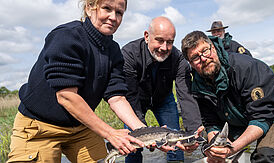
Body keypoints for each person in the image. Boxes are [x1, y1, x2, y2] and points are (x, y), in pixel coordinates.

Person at [6, 0, 172, 162]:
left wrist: (147, 132)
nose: (113, 17)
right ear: (90, 7)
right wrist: (110, 133)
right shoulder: (67, 36)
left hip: (81, 127)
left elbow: (117, 98)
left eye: (119, 12)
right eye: (107, 8)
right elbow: (66, 96)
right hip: (40, 127)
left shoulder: (113, 50)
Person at [181, 31, 274, 163]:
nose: (203, 58)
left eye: (205, 51)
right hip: (236, 111)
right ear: (191, 64)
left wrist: (231, 149)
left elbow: (261, 117)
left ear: (213, 48)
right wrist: (217, 146)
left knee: (266, 156)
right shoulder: (197, 87)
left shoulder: (245, 67)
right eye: (195, 57)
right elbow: (211, 124)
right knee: (214, 154)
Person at [208, 21, 274, 162]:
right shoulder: (207, 55)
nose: (217, 33)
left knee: (266, 156)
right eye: (214, 32)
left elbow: (251, 72)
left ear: (223, 31)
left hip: (268, 100)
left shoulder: (235, 47)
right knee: (218, 150)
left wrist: (234, 147)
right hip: (238, 105)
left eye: (219, 30)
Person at [121, 16, 202, 162]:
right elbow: (130, 97)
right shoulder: (129, 54)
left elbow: (186, 96)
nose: (164, 48)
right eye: (159, 40)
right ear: (147, 36)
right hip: (137, 101)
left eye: (169, 42)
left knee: (176, 142)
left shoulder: (178, 59)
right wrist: (145, 133)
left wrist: (194, 131)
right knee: (134, 144)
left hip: (164, 100)